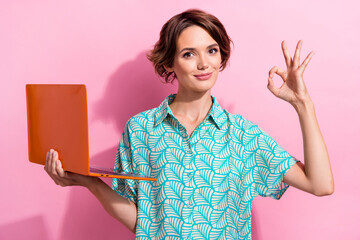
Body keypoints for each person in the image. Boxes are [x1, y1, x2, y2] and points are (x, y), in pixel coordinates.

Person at [45, 9, 334, 240]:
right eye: (188, 54)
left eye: (211, 51)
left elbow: (320, 185)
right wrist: (90, 183)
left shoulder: (243, 134)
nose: (203, 64)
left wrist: (302, 104)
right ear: (169, 63)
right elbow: (142, 223)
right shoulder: (141, 130)